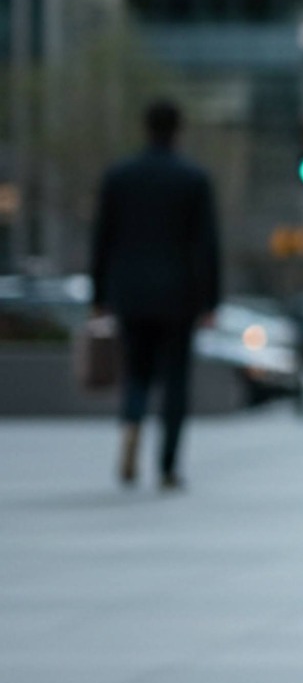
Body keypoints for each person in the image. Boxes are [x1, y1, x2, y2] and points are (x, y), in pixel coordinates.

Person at [90, 98, 222, 491]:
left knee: (137, 372)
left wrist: (99, 295)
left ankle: (132, 422)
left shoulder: (120, 176)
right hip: (179, 294)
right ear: (178, 130)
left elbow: (103, 239)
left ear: (145, 128)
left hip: (130, 293)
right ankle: (167, 466)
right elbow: (207, 246)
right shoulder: (193, 179)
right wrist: (211, 302)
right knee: (176, 381)